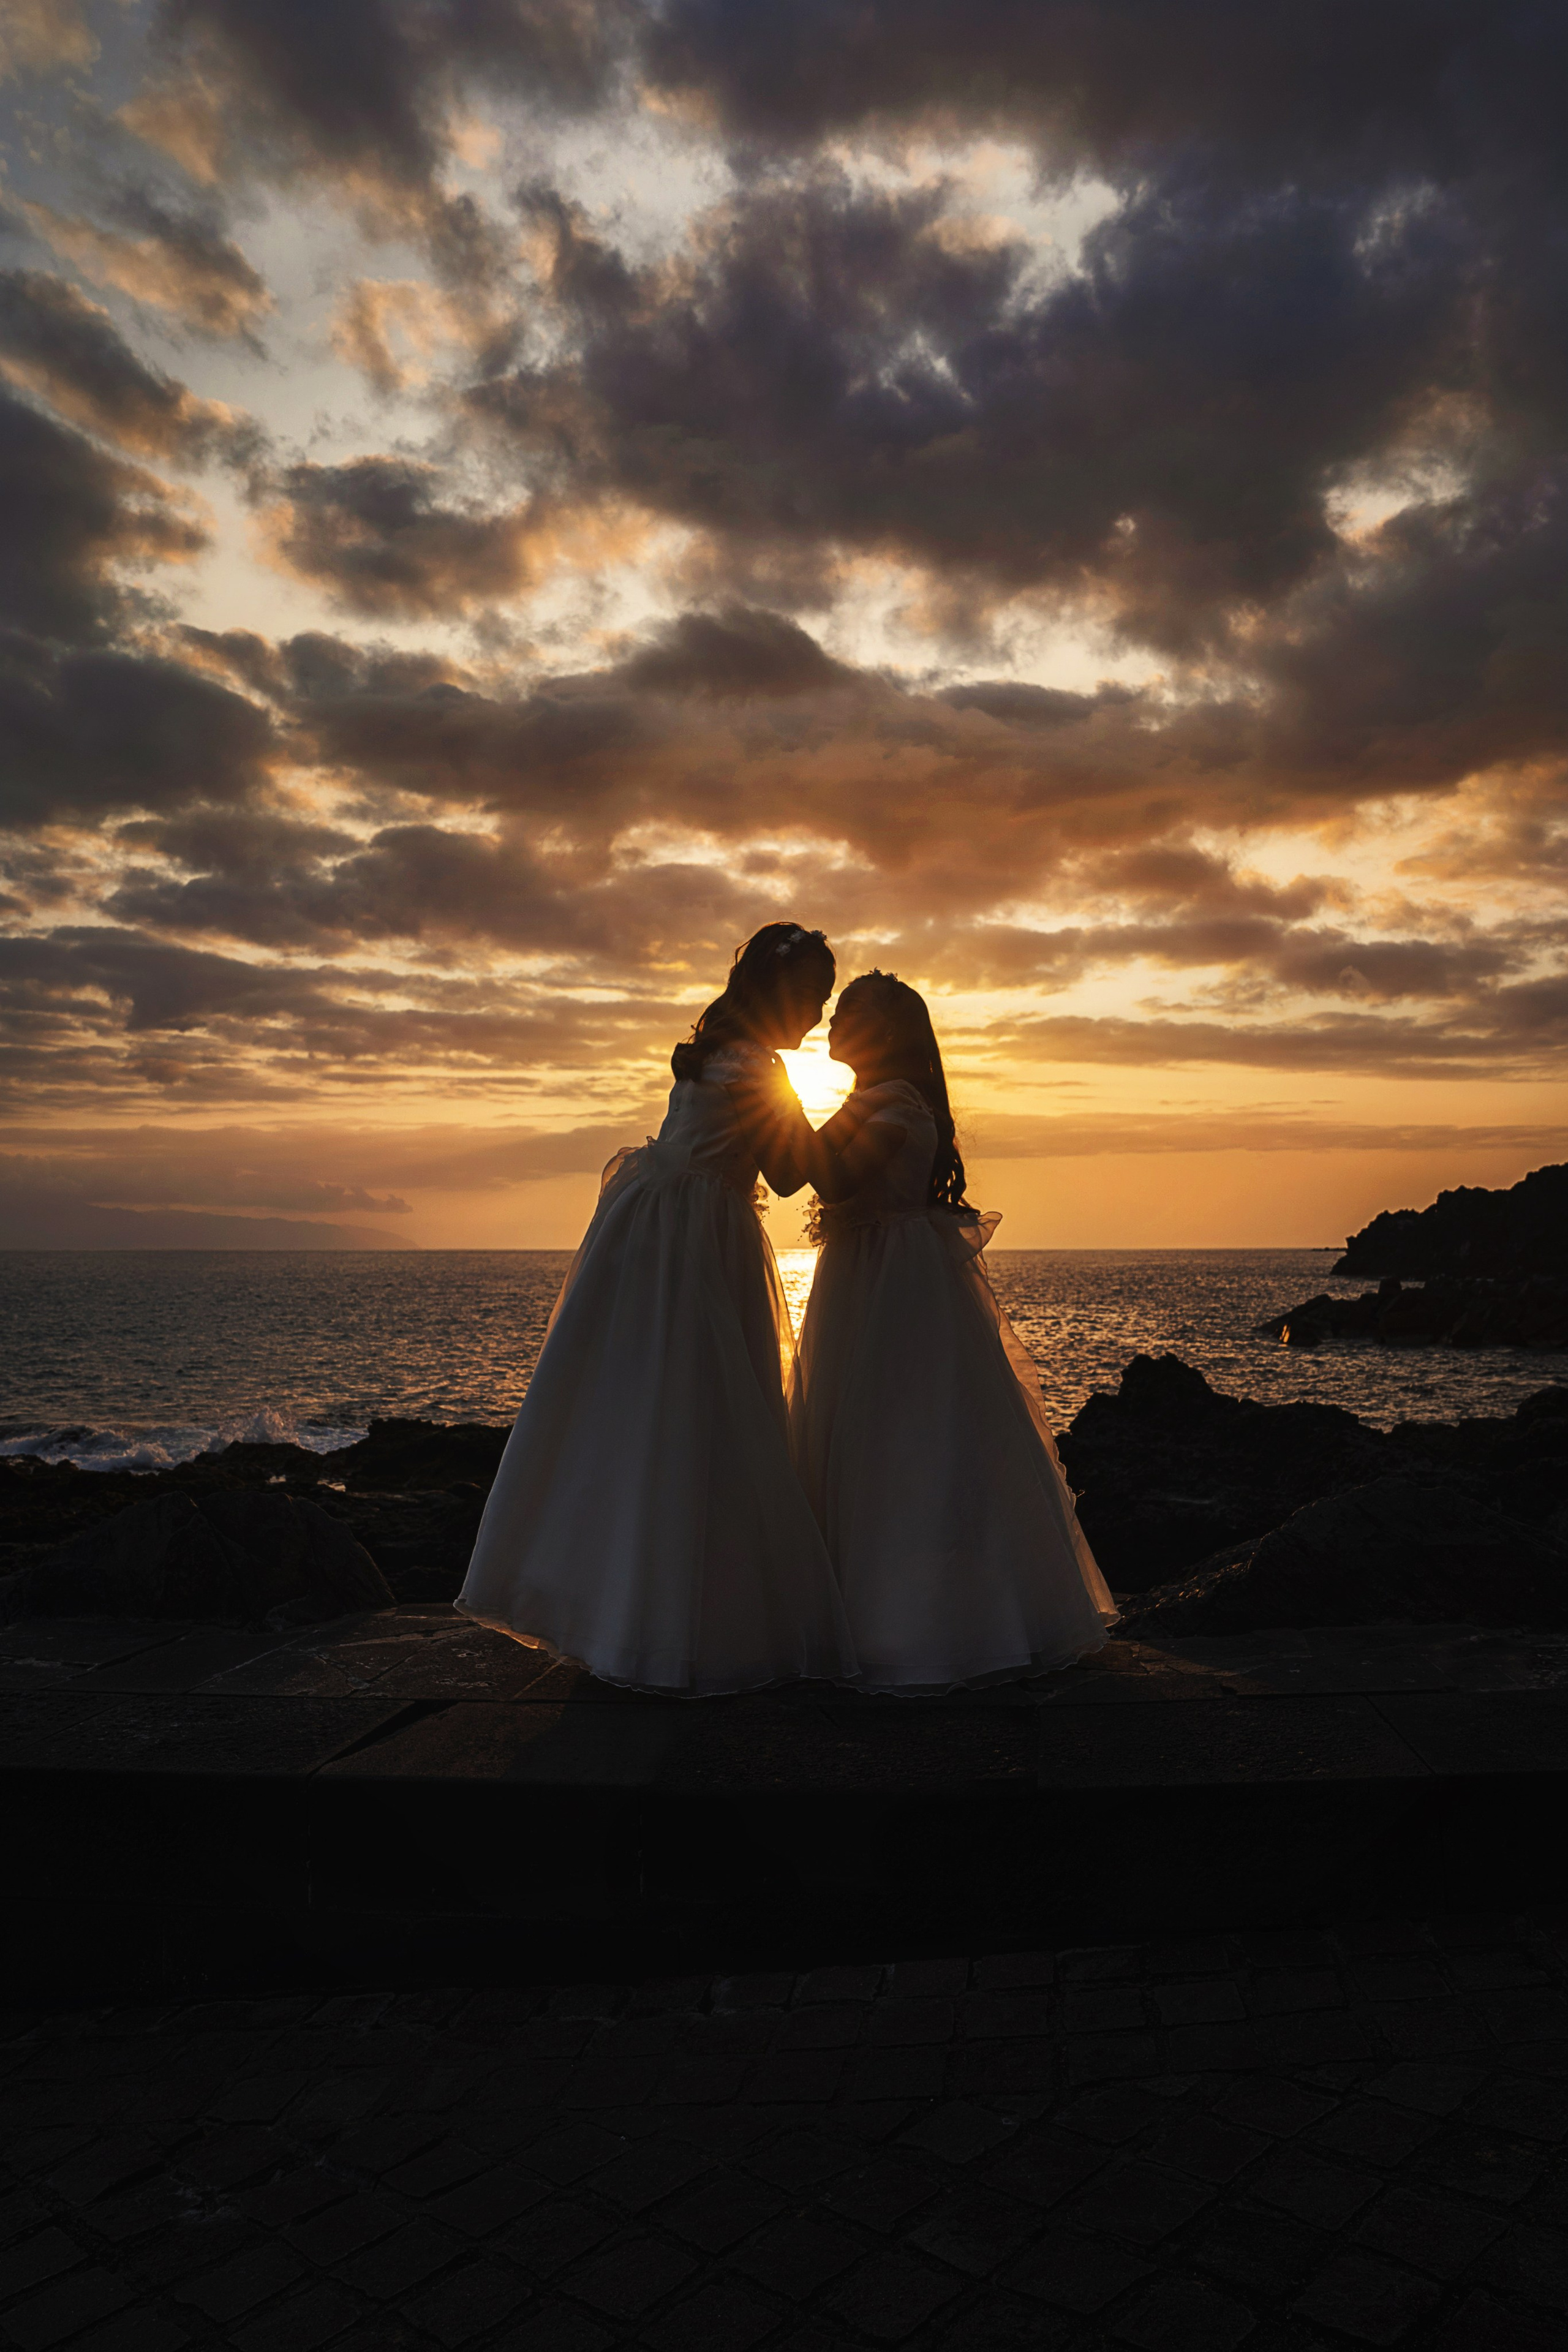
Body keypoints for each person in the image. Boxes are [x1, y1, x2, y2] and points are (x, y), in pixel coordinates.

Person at [456, 923, 858, 1695]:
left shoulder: (711, 1056)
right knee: (702, 1418)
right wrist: (853, 1127)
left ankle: (630, 1608)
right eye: (809, 998)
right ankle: (685, 1620)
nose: (813, 1017)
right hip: (697, 1246)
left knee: (641, 1415)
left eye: (822, 1002)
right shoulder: (756, 1069)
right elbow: (785, 1175)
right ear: (776, 994)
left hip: (653, 1231)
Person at [785, 970, 1117, 1691]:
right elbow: (805, 1166)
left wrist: (771, 1098)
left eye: (847, 1015)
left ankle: (920, 1628)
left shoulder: (898, 1107)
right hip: (864, 1279)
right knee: (867, 1440)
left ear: (887, 1033)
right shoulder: (867, 1101)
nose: (832, 1027)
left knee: (904, 1444)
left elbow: (831, 1178)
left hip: (892, 1290)